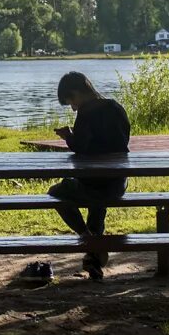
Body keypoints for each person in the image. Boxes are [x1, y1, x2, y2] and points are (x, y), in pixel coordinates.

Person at [48, 71, 131, 280]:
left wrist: (68, 137)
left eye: (71, 101)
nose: (73, 107)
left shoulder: (87, 112)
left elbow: (83, 149)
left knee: (57, 193)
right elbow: (118, 144)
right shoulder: (115, 107)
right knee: (97, 202)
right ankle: (94, 260)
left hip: (96, 185)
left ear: (77, 93)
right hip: (118, 183)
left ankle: (88, 239)